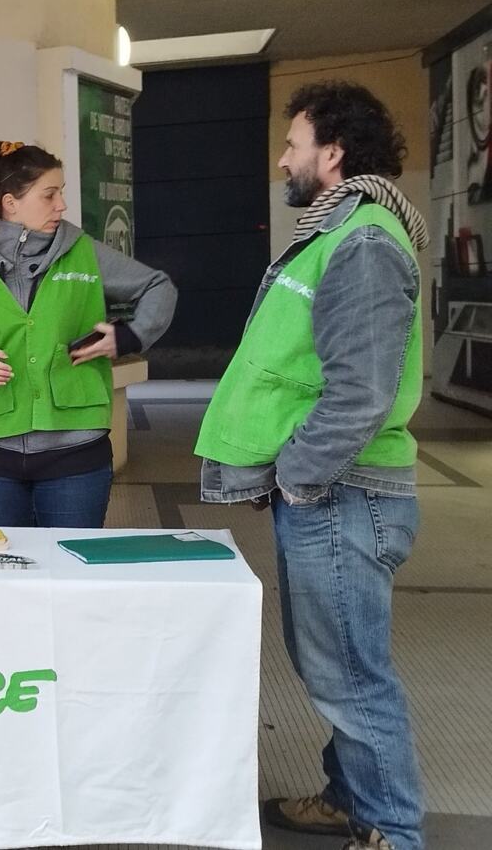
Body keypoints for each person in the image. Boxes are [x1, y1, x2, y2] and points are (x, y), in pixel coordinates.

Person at [196, 82, 428, 850]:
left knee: (351, 674)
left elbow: (361, 390)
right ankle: (350, 795)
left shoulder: (361, 242)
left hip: (343, 494)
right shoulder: (342, 231)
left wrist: (298, 471)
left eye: (293, 144)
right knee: (330, 660)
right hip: (332, 493)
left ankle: (392, 828)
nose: (283, 159)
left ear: (332, 154)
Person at [0, 141, 175, 527]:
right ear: (10, 203)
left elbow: (159, 287)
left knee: (70, 573)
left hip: (76, 450)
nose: (61, 205)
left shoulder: (83, 252)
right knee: (8, 575)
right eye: (50, 195)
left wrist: (127, 337)